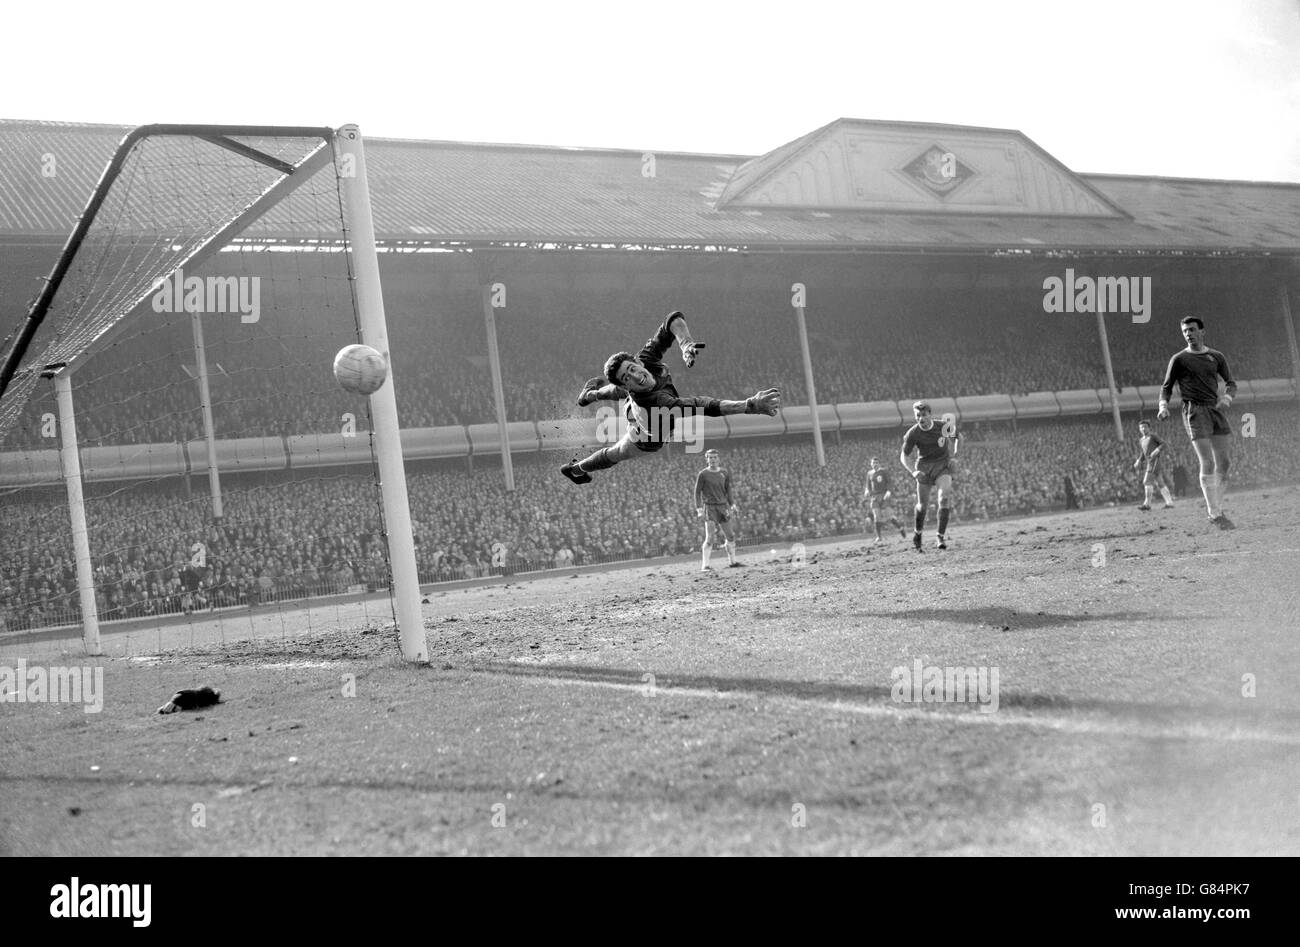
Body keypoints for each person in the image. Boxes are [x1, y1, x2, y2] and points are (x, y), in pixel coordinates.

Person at [561, 311, 781, 484]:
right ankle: (576, 470)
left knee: (619, 392)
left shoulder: (646, 360)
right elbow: (705, 405)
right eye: (627, 377)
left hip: (637, 405)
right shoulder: (660, 405)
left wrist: (685, 344)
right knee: (617, 452)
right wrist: (749, 405)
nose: (637, 376)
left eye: (633, 368)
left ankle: (588, 396)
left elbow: (672, 319)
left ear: (638, 362)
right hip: (646, 436)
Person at [1156, 316, 1236, 529]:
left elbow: (1231, 383)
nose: (1188, 334)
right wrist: (1163, 406)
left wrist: (1227, 398)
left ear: (1202, 331)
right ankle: (1215, 513)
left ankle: (1216, 507)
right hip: (1194, 410)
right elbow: (1166, 387)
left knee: (1225, 462)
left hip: (1215, 409)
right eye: (1185, 331)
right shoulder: (1179, 359)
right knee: (1207, 461)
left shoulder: (1216, 356)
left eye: (1192, 329)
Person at [900, 401, 959, 551]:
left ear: (930, 414)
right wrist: (913, 471)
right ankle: (917, 533)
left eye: (924, 415)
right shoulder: (913, 433)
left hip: (942, 466)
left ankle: (940, 537)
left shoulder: (942, 426)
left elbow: (959, 438)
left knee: (944, 498)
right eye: (917, 416)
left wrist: (955, 457)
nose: (921, 418)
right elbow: (904, 456)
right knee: (922, 506)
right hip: (924, 469)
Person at [694, 448, 742, 569]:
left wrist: (733, 504)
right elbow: (697, 492)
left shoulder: (724, 473)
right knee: (710, 537)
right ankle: (705, 566)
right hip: (710, 507)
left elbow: (728, 490)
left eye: (715, 457)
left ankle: (732, 562)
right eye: (710, 458)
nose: (713, 460)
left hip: (723, 506)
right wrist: (699, 509)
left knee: (730, 536)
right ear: (707, 459)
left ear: (718, 459)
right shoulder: (703, 474)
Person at [1132, 419, 1175, 511]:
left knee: (1146, 481)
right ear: (1139, 429)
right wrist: (1139, 460)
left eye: (1145, 427)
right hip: (1149, 462)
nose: (1143, 429)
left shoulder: (1153, 436)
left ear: (1149, 428)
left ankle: (1147, 504)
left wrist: (1157, 450)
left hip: (1155, 461)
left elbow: (1164, 444)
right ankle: (1169, 503)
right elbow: (1143, 453)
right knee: (1160, 483)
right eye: (1141, 427)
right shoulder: (1141, 440)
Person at [863, 456, 907, 543]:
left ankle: (900, 528)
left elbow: (889, 482)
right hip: (874, 497)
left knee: (889, 516)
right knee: (876, 517)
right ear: (871, 464)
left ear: (879, 464)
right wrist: (867, 490)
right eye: (873, 463)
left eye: (876, 463)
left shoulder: (884, 471)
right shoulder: (869, 473)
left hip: (884, 495)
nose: (875, 464)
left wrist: (889, 491)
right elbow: (868, 485)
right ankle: (879, 537)